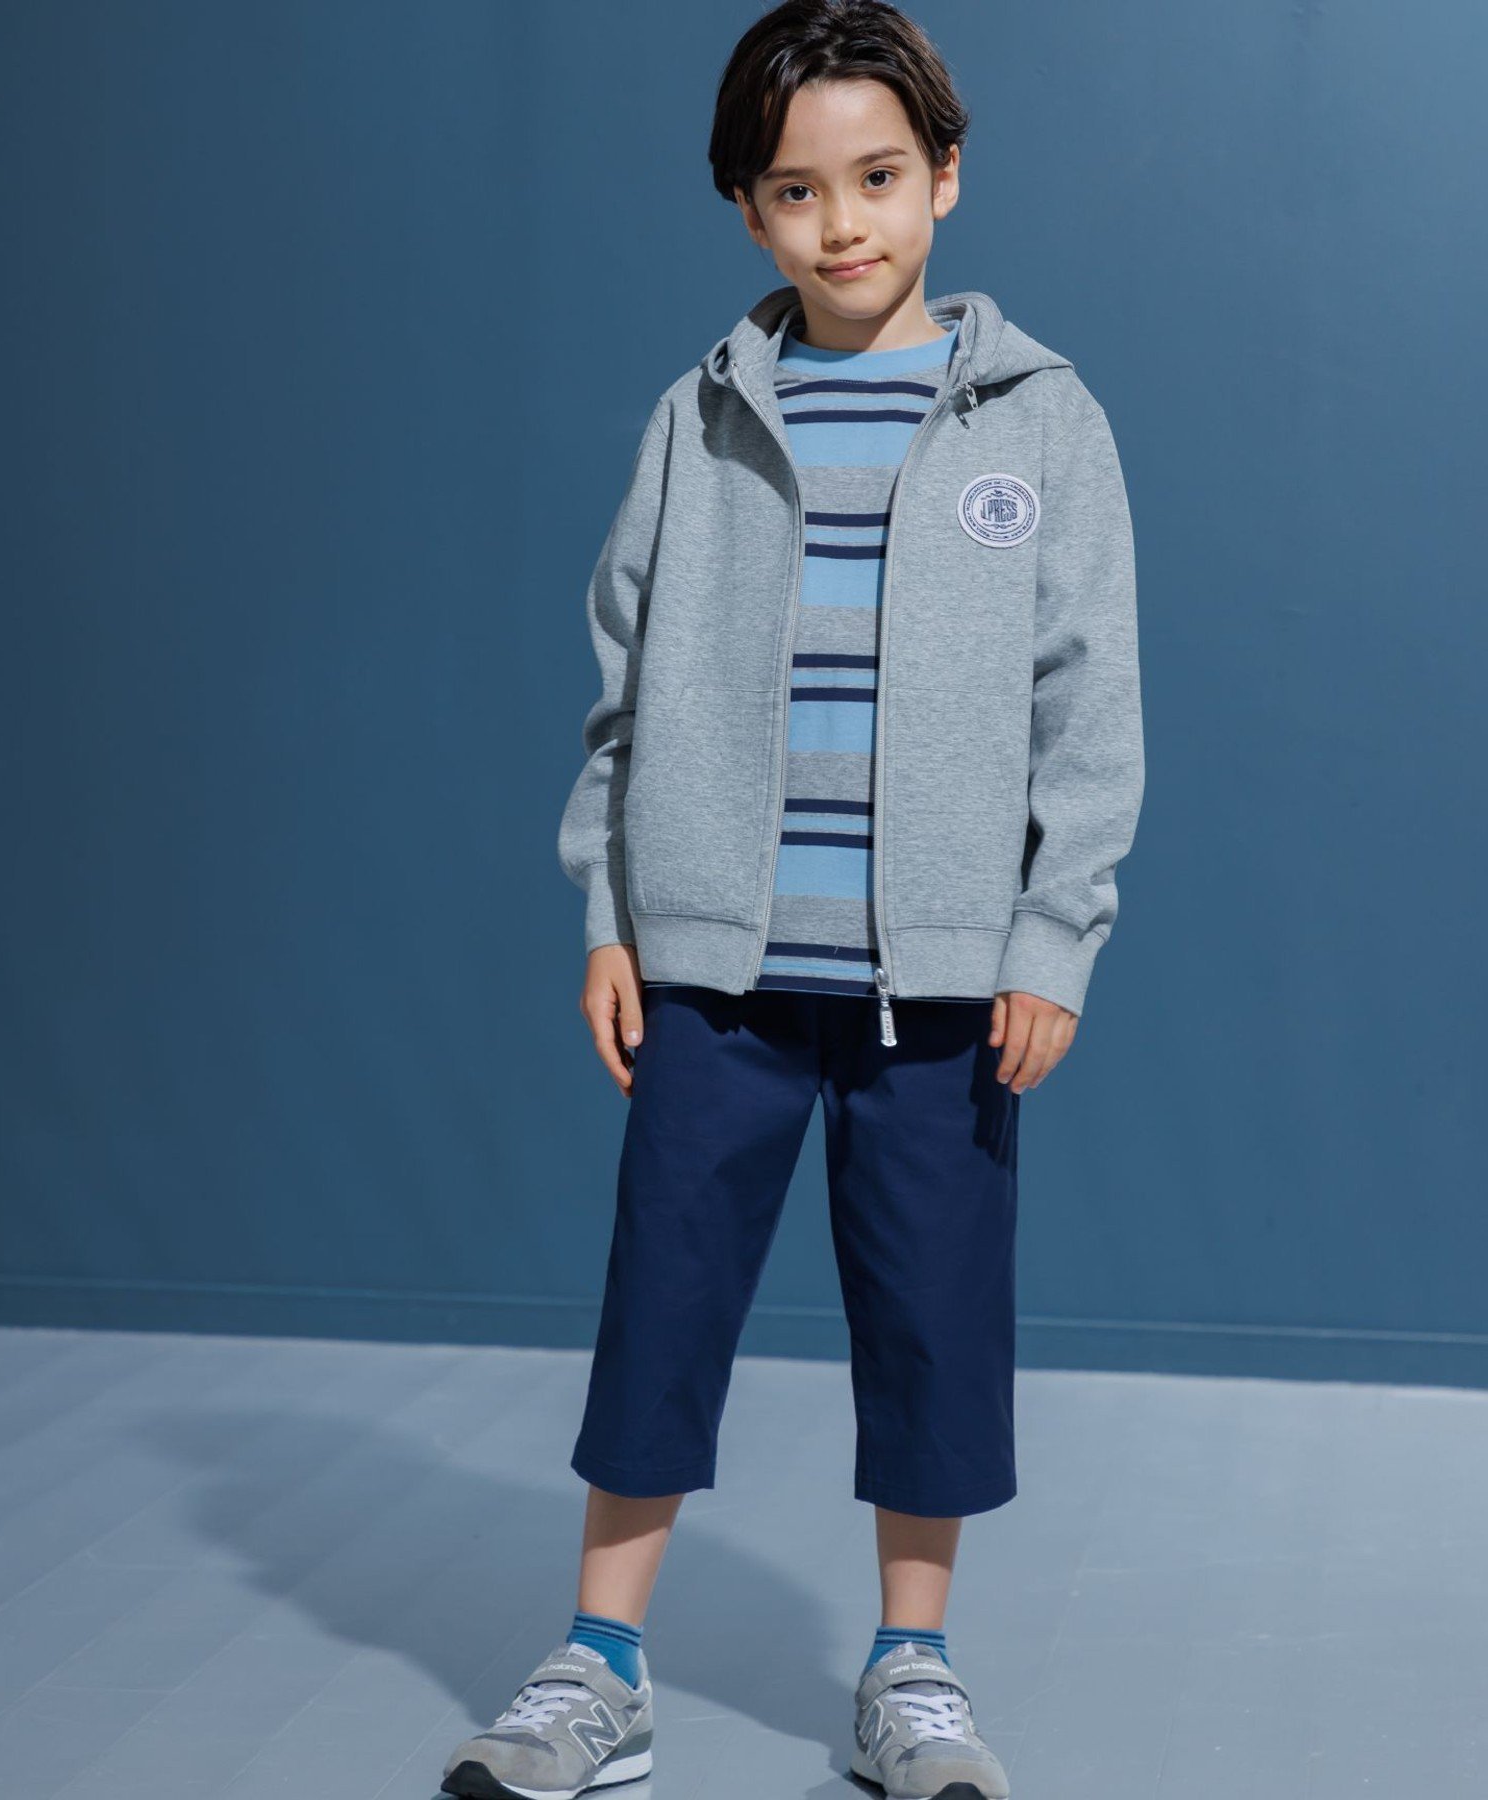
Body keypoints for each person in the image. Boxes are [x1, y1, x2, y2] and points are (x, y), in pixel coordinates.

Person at [442, 1, 1143, 1794]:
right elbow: (624, 685)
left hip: (943, 987)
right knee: (663, 1301)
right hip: (716, 975)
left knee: (932, 1316)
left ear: (946, 177)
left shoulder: (1044, 422)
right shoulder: (702, 418)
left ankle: (912, 1669)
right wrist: (611, 915)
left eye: (879, 178)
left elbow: (1090, 708)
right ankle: (603, 1662)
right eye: (797, 191)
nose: (843, 225)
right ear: (748, 211)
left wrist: (1052, 937)